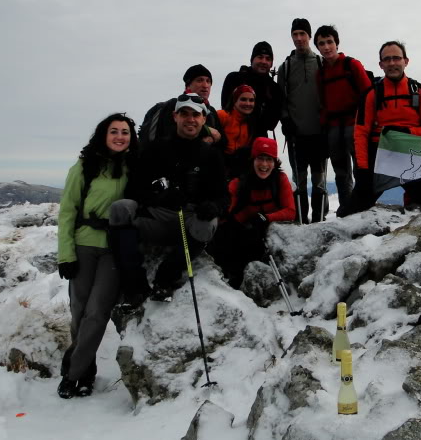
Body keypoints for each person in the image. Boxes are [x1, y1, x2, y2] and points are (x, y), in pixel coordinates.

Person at [110, 94, 228, 303]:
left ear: (203, 119)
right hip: (158, 218)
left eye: (196, 115)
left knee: (208, 223)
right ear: (175, 116)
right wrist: (160, 197)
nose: (190, 119)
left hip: (191, 222)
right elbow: (133, 191)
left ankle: (166, 276)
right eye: (184, 114)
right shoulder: (156, 150)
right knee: (121, 208)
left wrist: (212, 206)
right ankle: (135, 284)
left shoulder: (211, 156)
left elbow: (222, 197)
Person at [56, 112, 139, 399]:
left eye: (125, 132)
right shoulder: (84, 167)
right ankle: (86, 373)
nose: (119, 136)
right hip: (83, 244)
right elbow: (67, 212)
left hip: (114, 248)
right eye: (114, 131)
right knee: (79, 312)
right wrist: (65, 255)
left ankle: (71, 374)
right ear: (104, 135)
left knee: (97, 313)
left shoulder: (134, 167)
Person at [338, 41, 421, 218]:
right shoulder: (372, 93)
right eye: (387, 59)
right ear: (381, 64)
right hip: (379, 155)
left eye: (396, 58)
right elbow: (361, 132)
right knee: (352, 210)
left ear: (406, 61)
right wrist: (363, 169)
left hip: (410, 156)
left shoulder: (418, 90)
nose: (392, 63)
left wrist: (407, 133)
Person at [211, 137, 295, 289]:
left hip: (267, 230)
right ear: (252, 160)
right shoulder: (239, 183)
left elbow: (290, 211)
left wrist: (266, 217)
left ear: (275, 162)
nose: (264, 165)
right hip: (239, 232)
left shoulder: (280, 179)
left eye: (269, 159)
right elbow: (224, 210)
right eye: (260, 159)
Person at [314, 24, 372, 210]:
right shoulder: (321, 73)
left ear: (337, 44)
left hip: (354, 125)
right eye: (321, 43)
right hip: (333, 127)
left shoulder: (352, 65)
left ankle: (362, 206)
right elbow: (322, 102)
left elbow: (368, 95)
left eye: (329, 42)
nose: (326, 47)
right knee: (340, 172)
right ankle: (347, 207)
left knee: (360, 169)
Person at [277, 18, 328, 223]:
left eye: (302, 34)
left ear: (309, 36)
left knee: (319, 181)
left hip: (319, 132)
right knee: (300, 181)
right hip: (296, 134)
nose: (298, 38)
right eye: (295, 34)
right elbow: (281, 98)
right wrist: (285, 120)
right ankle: (301, 220)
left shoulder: (321, 63)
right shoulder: (286, 67)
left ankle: (319, 220)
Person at [138, 64, 221, 148]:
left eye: (208, 81)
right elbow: (172, 134)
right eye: (199, 80)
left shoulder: (211, 111)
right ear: (188, 85)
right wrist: (207, 130)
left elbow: (222, 140)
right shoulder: (172, 106)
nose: (205, 85)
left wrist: (210, 140)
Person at [220, 42, 282, 136]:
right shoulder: (234, 79)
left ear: (271, 63)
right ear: (252, 59)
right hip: (232, 135)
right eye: (260, 57)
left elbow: (271, 124)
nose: (264, 62)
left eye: (268, 59)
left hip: (258, 140)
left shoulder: (275, 89)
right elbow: (226, 108)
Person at [217, 84, 260, 179]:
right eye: (243, 99)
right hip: (219, 166)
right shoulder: (222, 115)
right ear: (234, 100)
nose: (248, 103)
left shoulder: (252, 124)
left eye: (251, 100)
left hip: (238, 170)